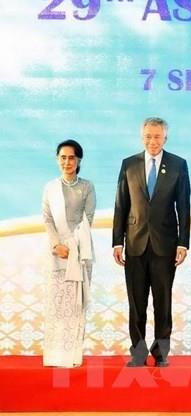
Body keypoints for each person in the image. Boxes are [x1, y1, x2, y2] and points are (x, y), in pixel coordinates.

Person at [112, 117, 190, 367]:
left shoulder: (178, 165)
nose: (152, 141)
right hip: (134, 243)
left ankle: (161, 352)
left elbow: (184, 207)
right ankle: (137, 352)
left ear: (165, 138)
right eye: (148, 136)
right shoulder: (129, 164)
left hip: (165, 245)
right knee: (136, 302)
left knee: (162, 301)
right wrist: (117, 242)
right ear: (142, 137)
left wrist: (183, 242)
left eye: (157, 136)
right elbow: (121, 205)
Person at [42, 139, 95, 368]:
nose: (67, 161)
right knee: (57, 305)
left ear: (79, 160)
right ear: (57, 160)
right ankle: (54, 355)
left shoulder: (87, 187)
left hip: (79, 253)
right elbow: (47, 219)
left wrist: (72, 247)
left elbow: (88, 219)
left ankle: (72, 356)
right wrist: (57, 245)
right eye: (63, 157)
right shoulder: (50, 188)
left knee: (75, 305)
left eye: (71, 157)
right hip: (56, 254)